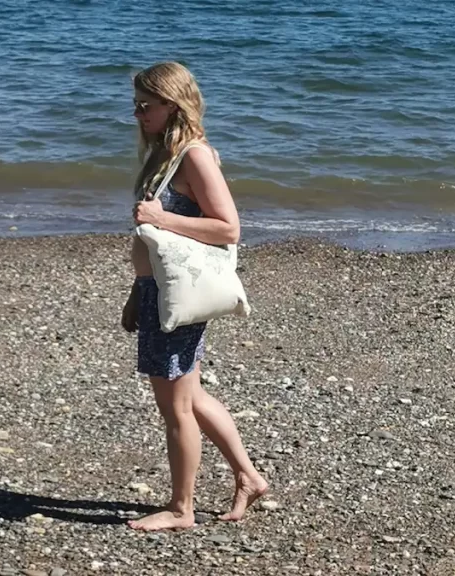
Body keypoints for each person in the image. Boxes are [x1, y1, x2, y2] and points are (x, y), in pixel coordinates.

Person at [121, 61, 268, 531]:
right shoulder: (165, 154)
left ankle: (181, 509)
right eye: (136, 105)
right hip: (158, 291)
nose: (138, 114)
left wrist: (161, 219)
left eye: (146, 105)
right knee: (193, 394)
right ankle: (248, 477)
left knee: (176, 406)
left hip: (179, 297)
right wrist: (135, 290)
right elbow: (151, 242)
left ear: (173, 105)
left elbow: (229, 228)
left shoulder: (194, 156)